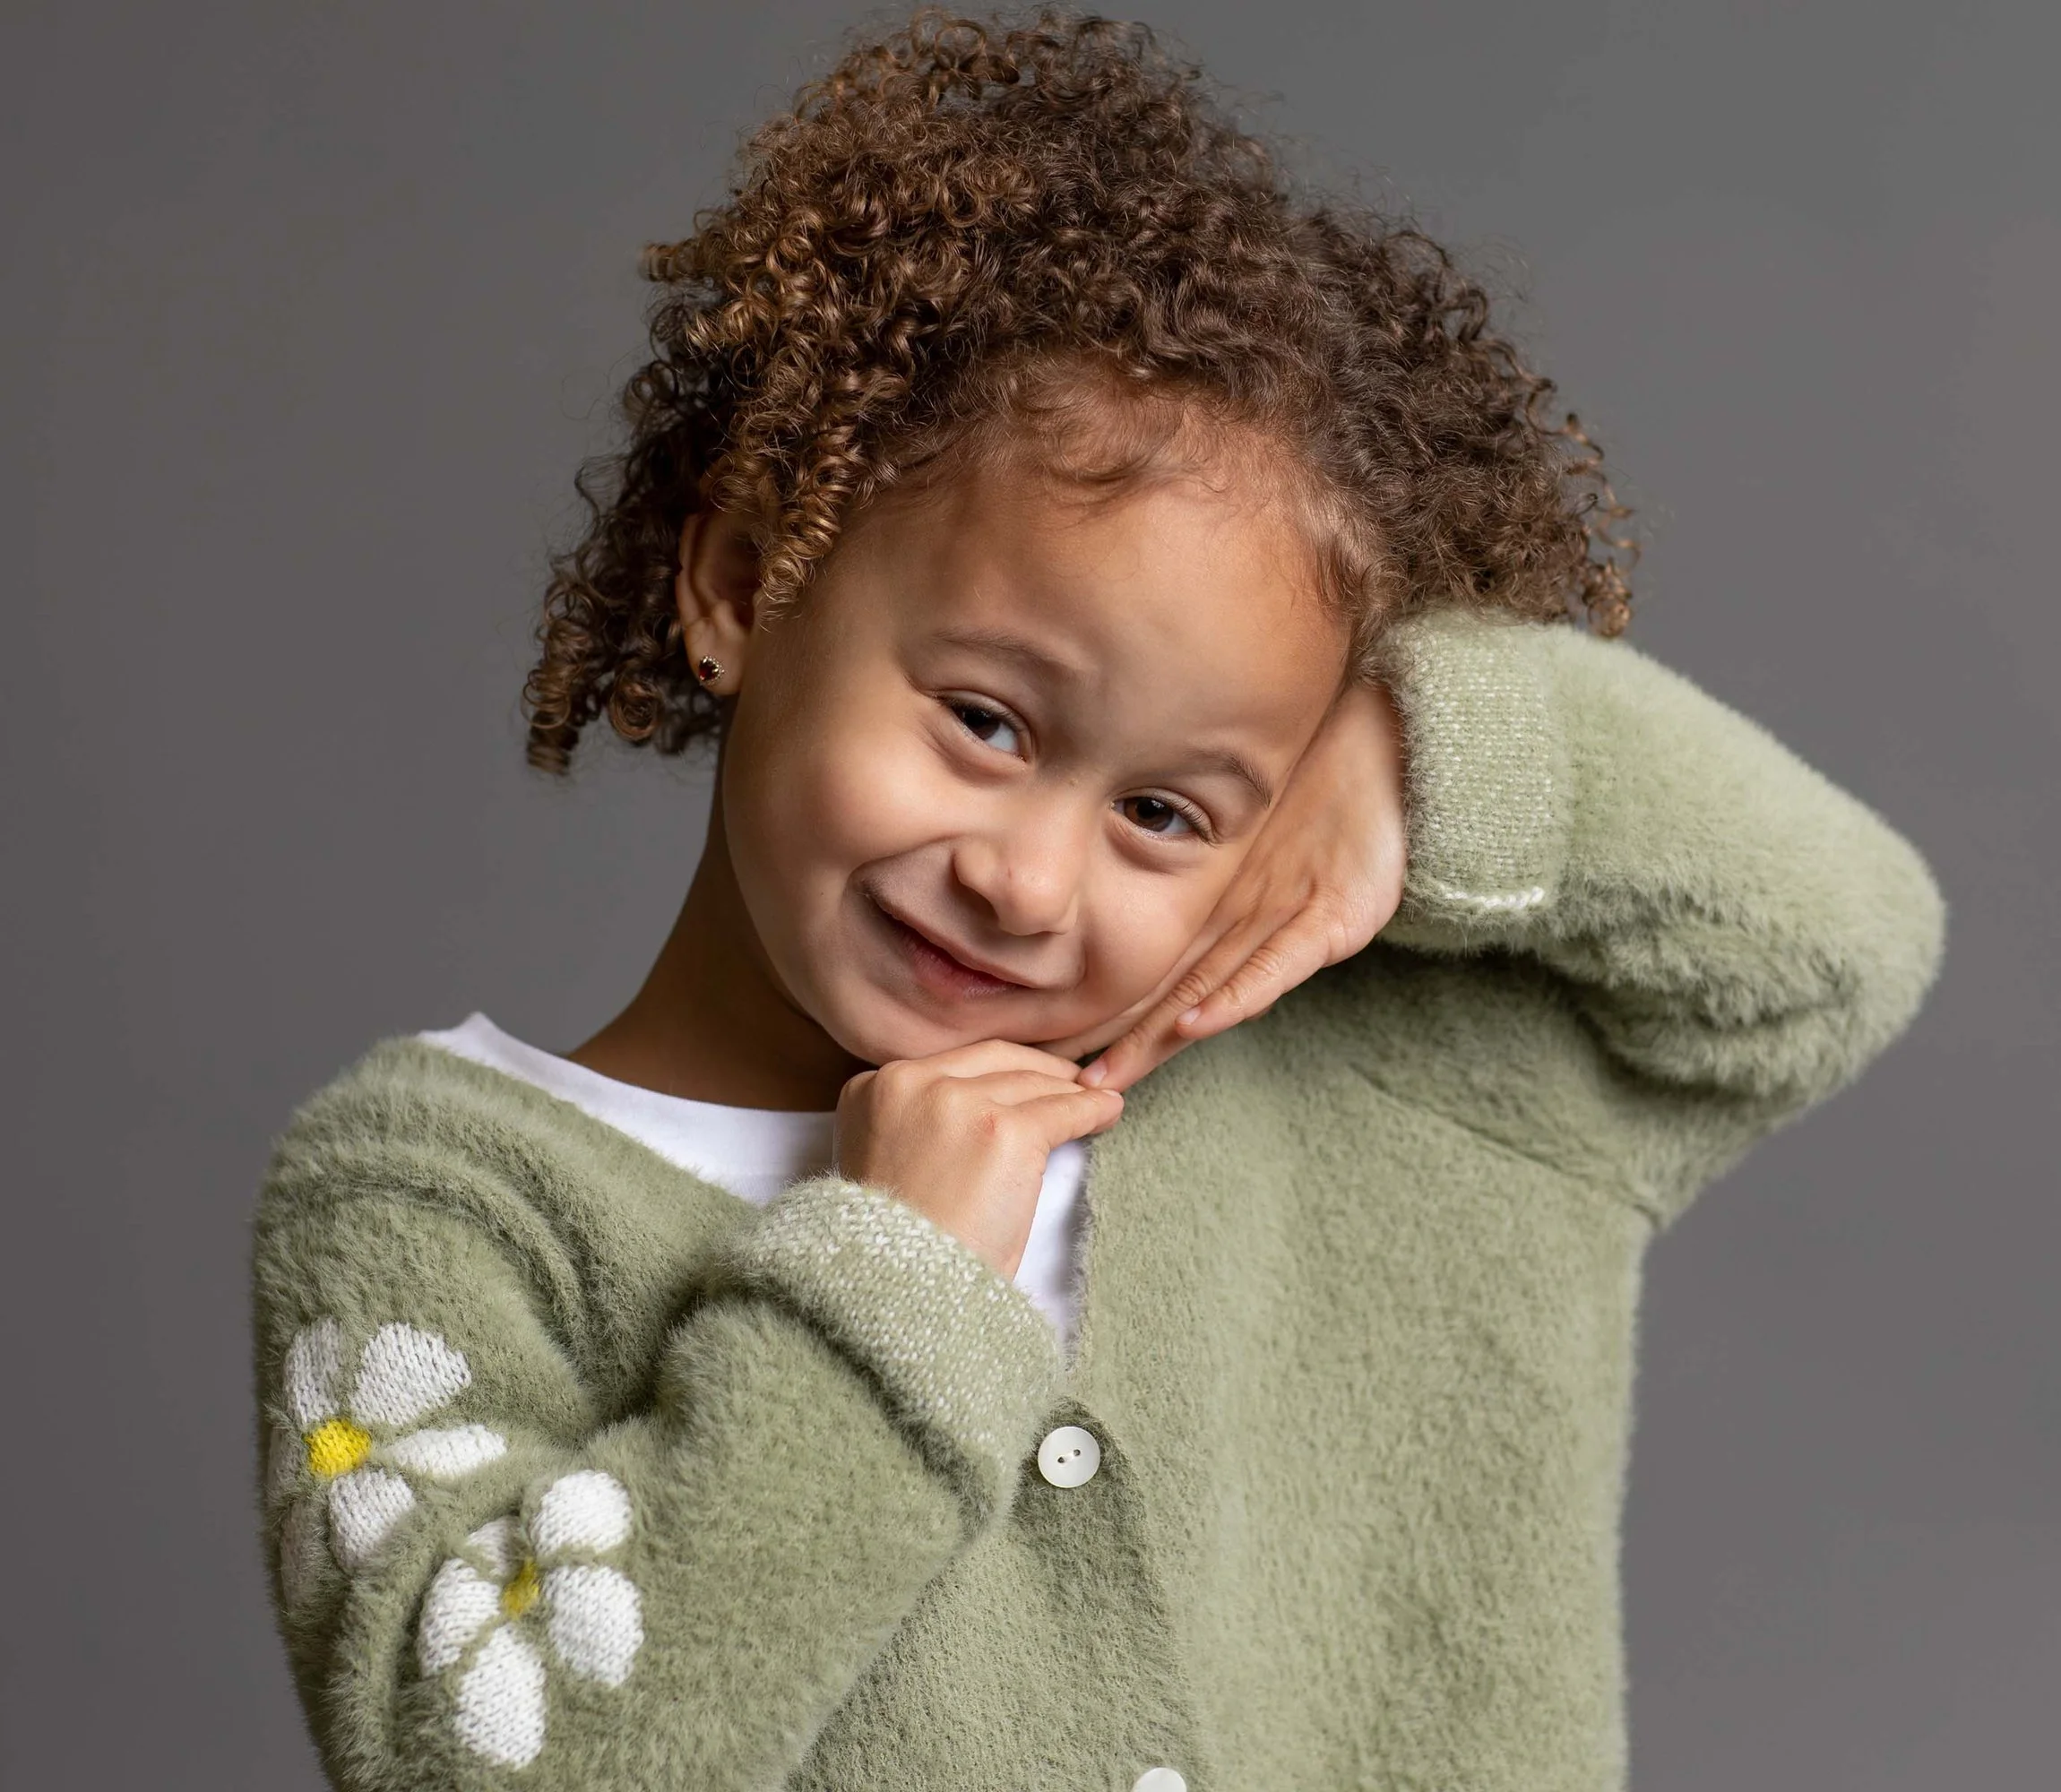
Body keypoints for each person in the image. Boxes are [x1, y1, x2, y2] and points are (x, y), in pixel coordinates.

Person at [251, 13, 1945, 1789]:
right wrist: (884, 1290)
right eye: (982, 721)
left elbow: (1832, 940)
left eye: (1161, 808)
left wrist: (1427, 755)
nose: (1025, 876)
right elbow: (477, 1754)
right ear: (744, 579)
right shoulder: (431, 1199)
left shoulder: (1392, 1074)